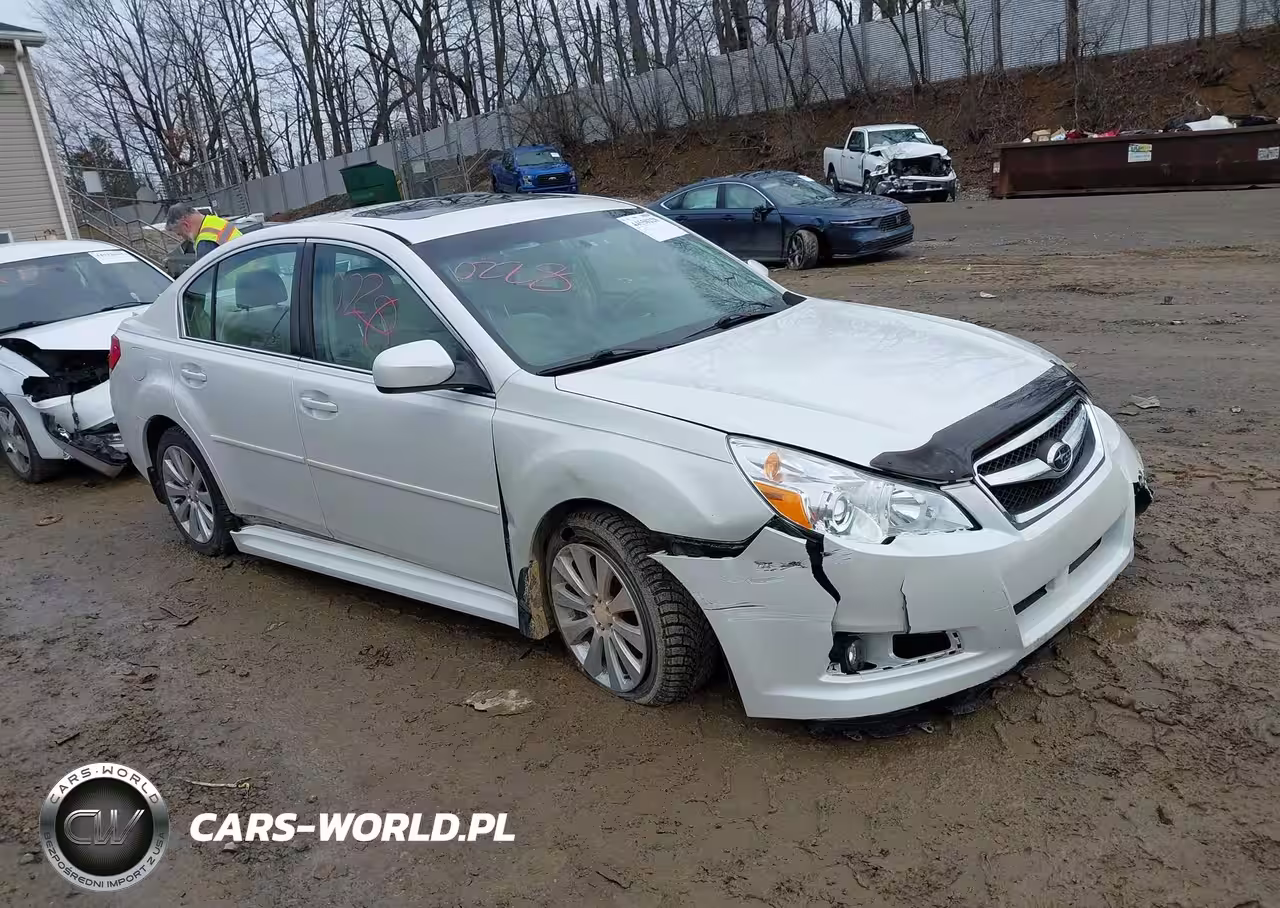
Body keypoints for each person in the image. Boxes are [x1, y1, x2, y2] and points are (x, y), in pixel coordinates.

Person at [165, 202, 242, 260]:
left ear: (186, 225)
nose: (183, 238)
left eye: (180, 234)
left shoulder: (205, 242)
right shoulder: (214, 221)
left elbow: (207, 278)